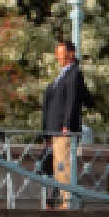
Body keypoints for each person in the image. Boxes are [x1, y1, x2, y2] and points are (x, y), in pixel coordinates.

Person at [40, 40, 91, 207]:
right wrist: (46, 132)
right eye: (57, 53)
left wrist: (67, 125)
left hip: (63, 129)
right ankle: (59, 201)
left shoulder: (74, 73)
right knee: (57, 167)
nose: (58, 57)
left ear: (71, 53)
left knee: (63, 166)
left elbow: (72, 100)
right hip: (53, 129)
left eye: (60, 53)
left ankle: (67, 202)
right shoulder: (61, 75)